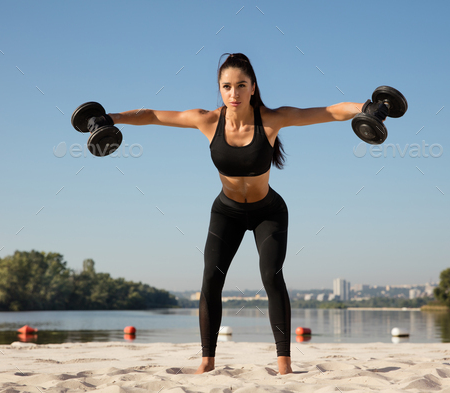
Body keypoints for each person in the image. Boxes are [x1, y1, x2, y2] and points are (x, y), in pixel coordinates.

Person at [106, 53, 367, 375]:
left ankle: (284, 363)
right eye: (227, 86)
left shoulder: (271, 119)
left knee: (271, 276)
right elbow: (153, 115)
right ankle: (207, 361)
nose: (234, 93)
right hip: (226, 212)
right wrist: (111, 118)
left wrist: (365, 108)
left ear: (253, 87)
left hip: (267, 212)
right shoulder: (207, 120)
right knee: (211, 279)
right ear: (220, 89)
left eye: (241, 85)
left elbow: (328, 112)